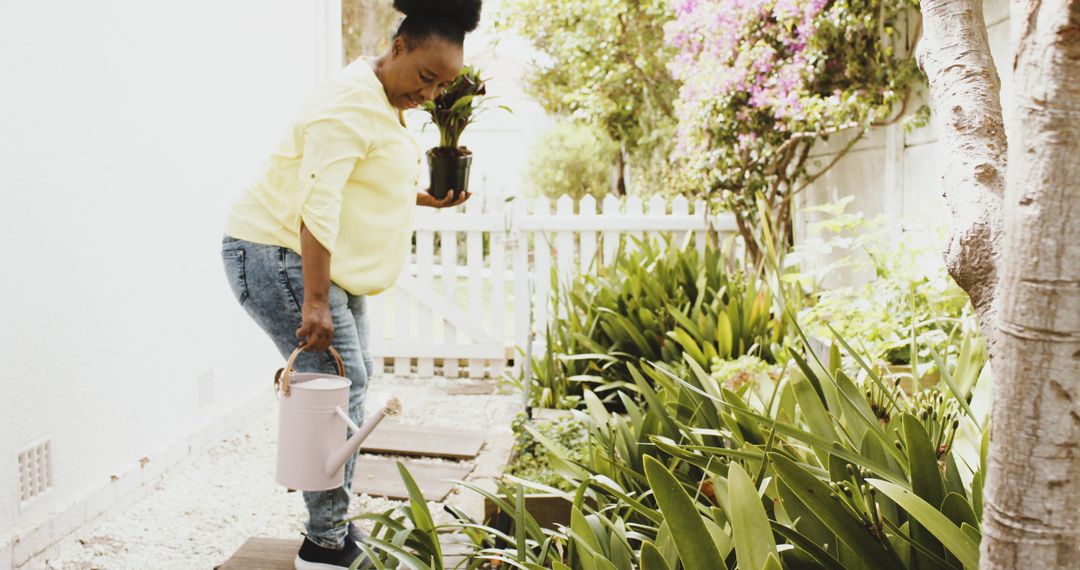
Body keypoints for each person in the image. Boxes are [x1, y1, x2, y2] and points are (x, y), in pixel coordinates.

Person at [220, 1, 482, 567]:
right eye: (426, 77)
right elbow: (319, 203)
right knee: (333, 388)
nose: (432, 93)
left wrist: (424, 197)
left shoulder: (380, 98)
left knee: (348, 388)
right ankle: (323, 546)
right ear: (398, 47)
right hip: (278, 251)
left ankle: (334, 529)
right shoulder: (347, 103)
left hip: (318, 259)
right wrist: (314, 300)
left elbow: (363, 178)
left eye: (444, 85)